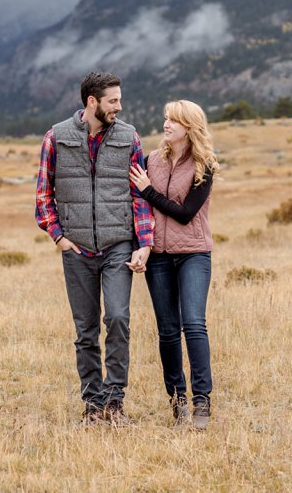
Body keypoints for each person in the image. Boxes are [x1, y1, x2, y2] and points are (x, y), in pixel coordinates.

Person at [35, 70, 153, 424]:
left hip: (118, 245)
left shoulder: (129, 137)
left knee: (117, 318)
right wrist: (59, 237)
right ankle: (92, 405)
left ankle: (115, 403)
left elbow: (140, 194)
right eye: (113, 100)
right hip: (77, 249)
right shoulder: (56, 137)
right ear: (92, 102)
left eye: (119, 99)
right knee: (85, 330)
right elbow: (43, 195)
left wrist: (144, 243)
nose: (119, 106)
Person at [130, 100, 218, 425]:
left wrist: (148, 190)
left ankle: (202, 402)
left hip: (194, 253)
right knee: (167, 330)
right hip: (159, 258)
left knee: (193, 324)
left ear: (189, 127)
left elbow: (184, 214)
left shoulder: (203, 165)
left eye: (174, 121)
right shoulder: (151, 160)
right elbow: (134, 198)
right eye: (165, 118)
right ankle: (178, 400)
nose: (166, 125)